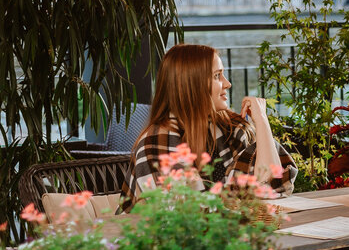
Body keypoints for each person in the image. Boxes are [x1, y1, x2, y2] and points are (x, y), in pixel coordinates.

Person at [119, 43, 297, 211]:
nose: (227, 84)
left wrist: (262, 120)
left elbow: (272, 184)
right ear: (191, 85)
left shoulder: (230, 129)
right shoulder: (156, 143)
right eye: (217, 76)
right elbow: (184, 215)